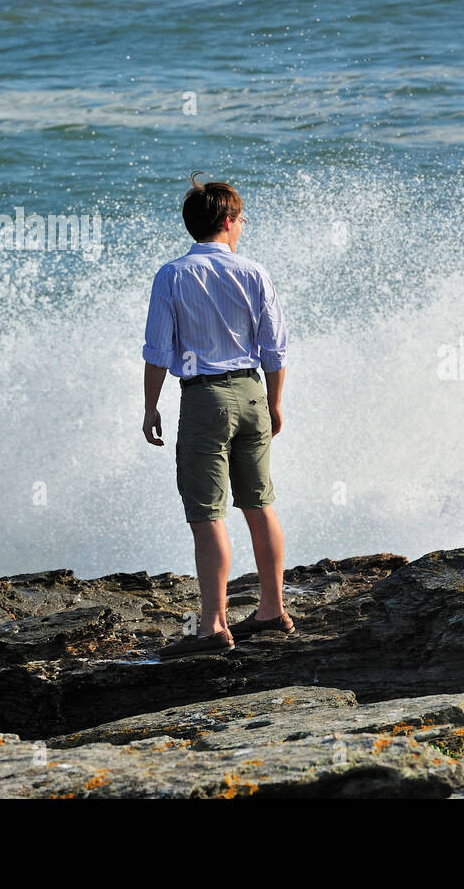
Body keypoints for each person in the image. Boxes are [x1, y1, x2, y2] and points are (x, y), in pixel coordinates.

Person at [141, 171, 294, 658]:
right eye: (241, 218)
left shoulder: (172, 275)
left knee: (207, 514)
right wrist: (273, 402)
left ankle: (213, 625)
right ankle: (272, 609)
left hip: (204, 398)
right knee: (259, 503)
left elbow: (157, 351)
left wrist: (150, 405)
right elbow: (276, 347)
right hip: (251, 392)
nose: (243, 225)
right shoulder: (254, 272)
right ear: (227, 222)